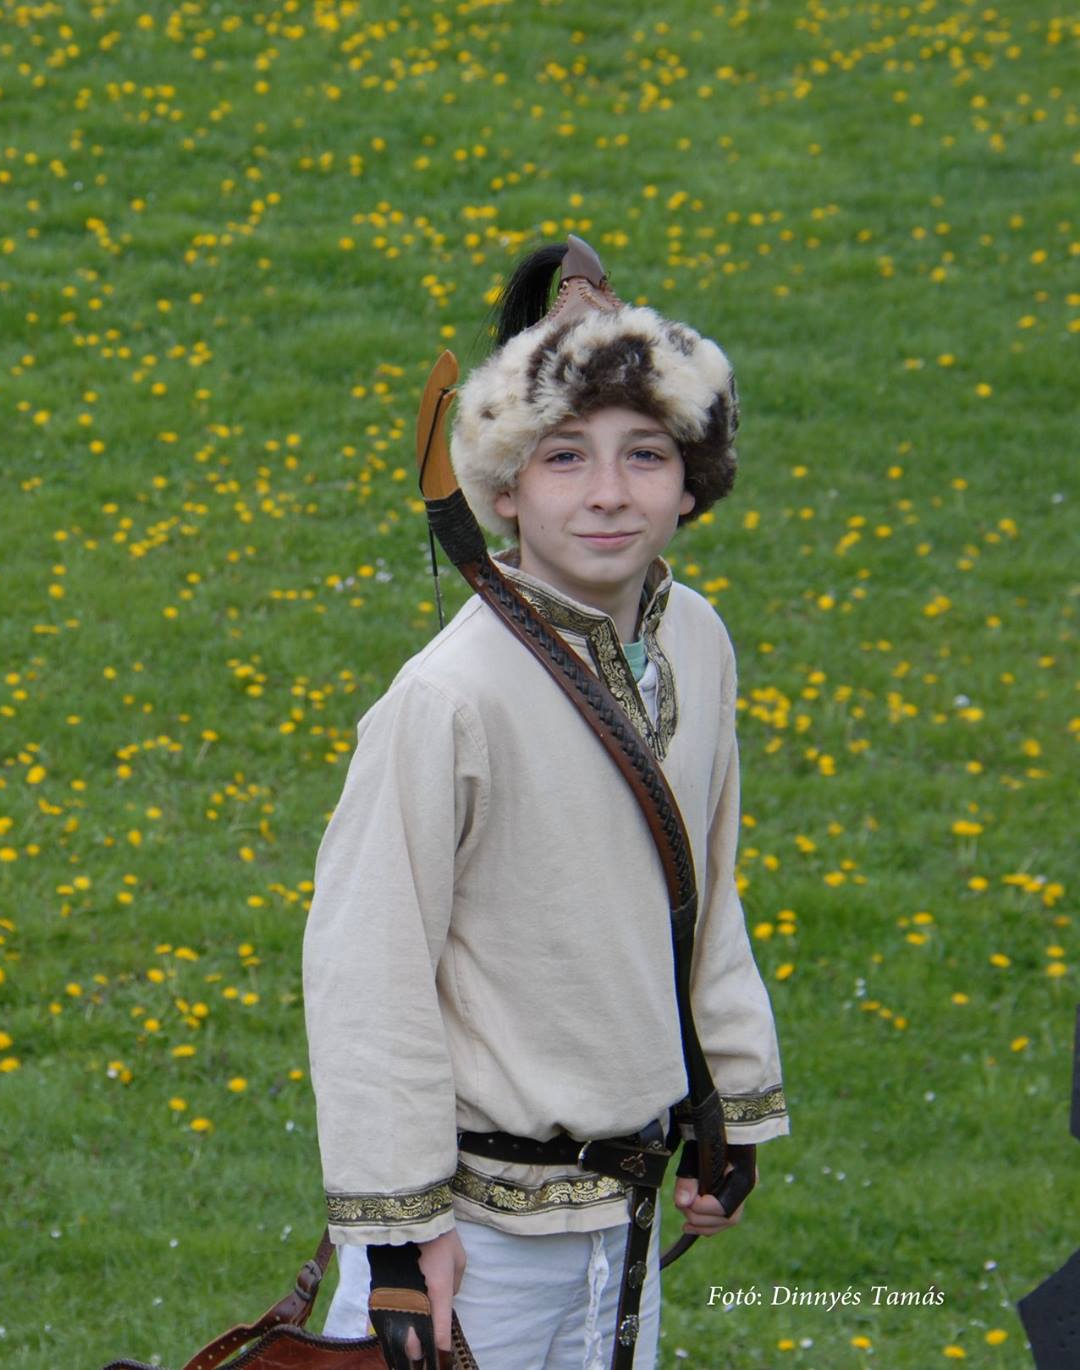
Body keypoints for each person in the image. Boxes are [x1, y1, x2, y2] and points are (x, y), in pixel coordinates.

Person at [302, 237, 787, 1370]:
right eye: (564, 456)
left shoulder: (697, 640)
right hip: (472, 1242)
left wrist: (726, 1101)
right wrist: (395, 1239)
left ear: (692, 481)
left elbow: (704, 891)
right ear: (503, 488)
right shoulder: (447, 698)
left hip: (625, 1216)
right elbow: (367, 968)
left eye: (645, 455)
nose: (609, 492)